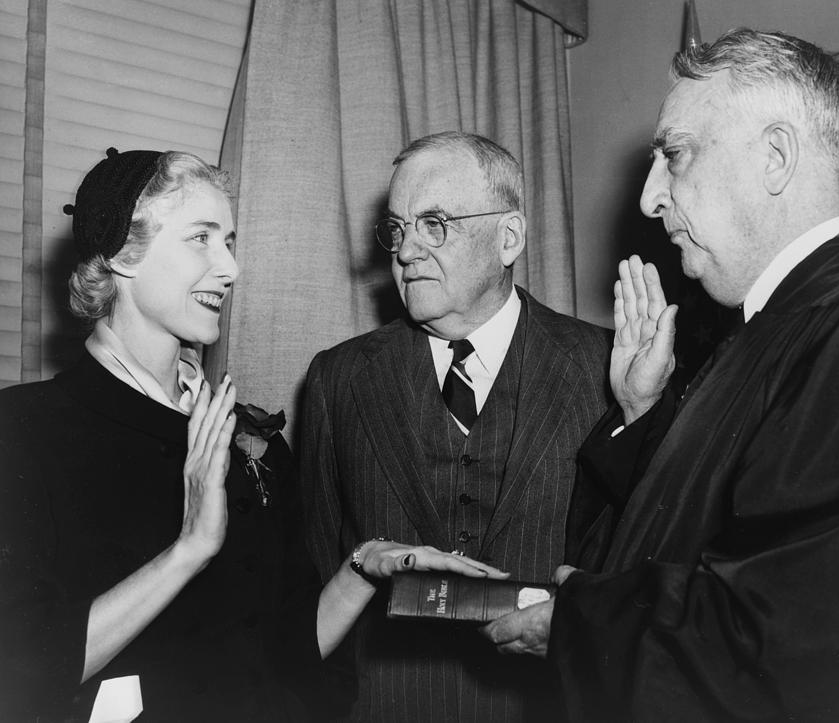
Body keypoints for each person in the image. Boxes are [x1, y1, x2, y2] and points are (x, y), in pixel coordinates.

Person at [0, 148, 506, 722]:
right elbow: (20, 671)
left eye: (230, 242)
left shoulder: (250, 438)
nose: (231, 269)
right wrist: (188, 550)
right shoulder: (23, 432)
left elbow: (286, 650)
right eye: (201, 238)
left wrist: (364, 568)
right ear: (122, 254)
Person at [484, 28, 839, 721]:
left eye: (674, 155)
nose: (649, 198)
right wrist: (640, 413)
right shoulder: (775, 320)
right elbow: (690, 542)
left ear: (775, 157)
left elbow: (789, 647)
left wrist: (578, 623)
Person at [299, 131, 612, 722]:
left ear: (509, 237)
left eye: (434, 223)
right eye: (397, 229)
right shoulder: (338, 379)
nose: (406, 250)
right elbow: (317, 574)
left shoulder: (606, 368)